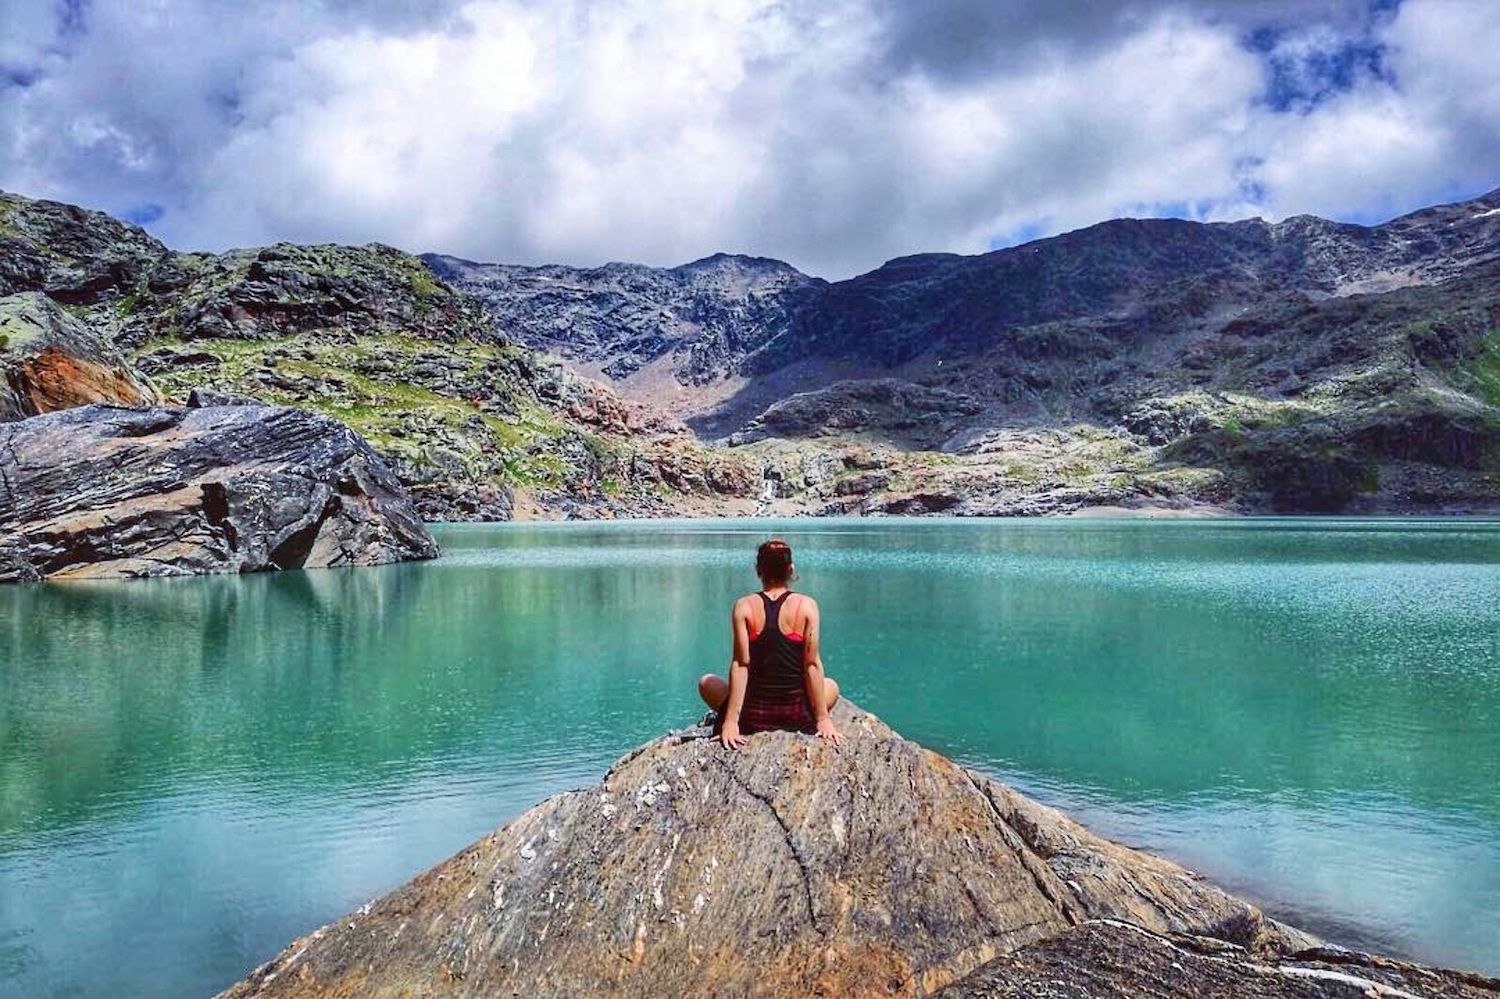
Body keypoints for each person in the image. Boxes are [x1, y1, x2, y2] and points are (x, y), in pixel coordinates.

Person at [698, 539, 842, 749]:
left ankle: (739, 715)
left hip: (752, 716)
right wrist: (822, 719)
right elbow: (811, 664)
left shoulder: (744, 606)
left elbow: (741, 664)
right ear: (790, 569)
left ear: (759, 570)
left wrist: (730, 722)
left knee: (706, 682)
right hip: (797, 715)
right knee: (832, 686)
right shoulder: (807, 606)